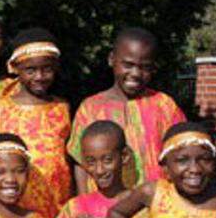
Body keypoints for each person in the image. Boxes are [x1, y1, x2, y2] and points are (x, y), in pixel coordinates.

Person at [68, 27, 185, 191]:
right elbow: (80, 161)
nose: (135, 73)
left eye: (144, 67)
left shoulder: (164, 106)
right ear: (111, 59)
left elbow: (182, 153)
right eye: (128, 65)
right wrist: (83, 202)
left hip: (153, 206)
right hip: (103, 208)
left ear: (153, 68)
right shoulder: (91, 107)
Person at [0, 29, 72, 218]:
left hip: (57, 201)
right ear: (15, 69)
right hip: (15, 203)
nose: (39, 76)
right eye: (30, 70)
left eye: (46, 69)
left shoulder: (62, 107)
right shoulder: (1, 107)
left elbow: (68, 157)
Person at [56, 120, 137, 218]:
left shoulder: (138, 203)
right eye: (91, 162)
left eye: (107, 160)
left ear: (124, 156)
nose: (99, 170)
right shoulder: (75, 208)